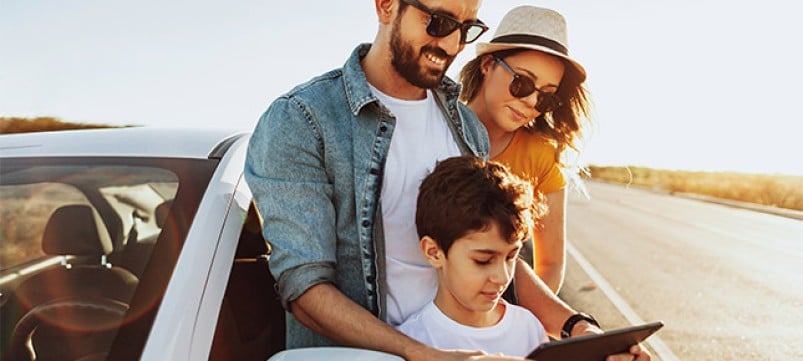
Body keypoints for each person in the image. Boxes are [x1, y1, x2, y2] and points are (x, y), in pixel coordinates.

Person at [245, 1, 649, 360]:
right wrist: (420, 354)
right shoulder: (302, 120)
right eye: (439, 21)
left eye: (466, 28)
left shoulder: (466, 127)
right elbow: (305, 287)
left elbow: (493, 248)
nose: (452, 43)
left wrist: (579, 330)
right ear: (386, 6)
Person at [459, 5, 591, 293]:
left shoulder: (542, 155)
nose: (532, 102)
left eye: (546, 97)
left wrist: (525, 328)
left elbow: (551, 264)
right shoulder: (434, 125)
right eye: (522, 83)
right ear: (487, 65)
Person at [397, 156, 550, 357]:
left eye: (511, 257)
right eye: (483, 261)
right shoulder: (413, 340)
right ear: (434, 252)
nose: (503, 277)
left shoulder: (529, 329)